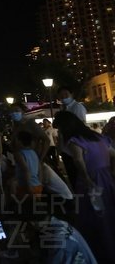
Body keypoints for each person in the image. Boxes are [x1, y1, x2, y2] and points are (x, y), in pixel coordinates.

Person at [53, 110, 115, 262]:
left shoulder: (75, 140)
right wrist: (111, 170)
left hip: (90, 180)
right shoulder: (98, 137)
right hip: (106, 178)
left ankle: (97, 248)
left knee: (93, 216)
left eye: (60, 128)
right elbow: (113, 154)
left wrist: (87, 179)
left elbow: (78, 161)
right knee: (109, 212)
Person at [56, 88, 87, 189]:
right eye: (61, 96)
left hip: (75, 146)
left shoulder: (77, 107)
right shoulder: (63, 108)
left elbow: (81, 126)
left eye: (66, 94)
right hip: (66, 148)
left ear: (72, 94)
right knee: (72, 176)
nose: (64, 97)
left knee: (79, 175)